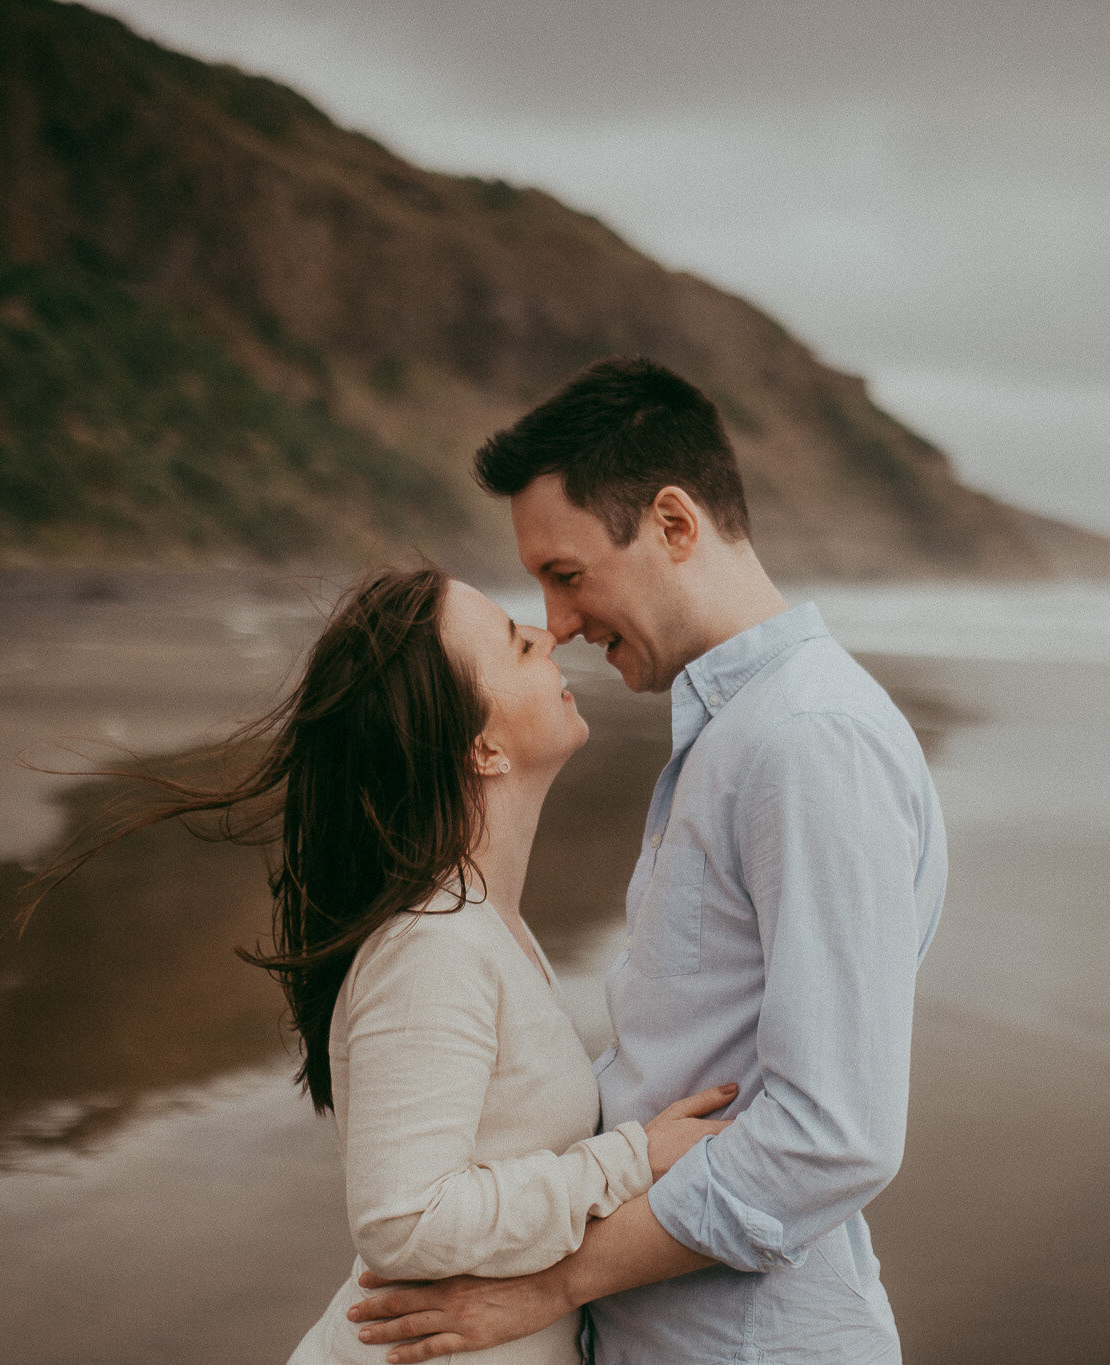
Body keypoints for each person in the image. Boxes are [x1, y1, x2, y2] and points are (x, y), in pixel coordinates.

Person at [347, 358, 949, 1365]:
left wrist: (551, 1282)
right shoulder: (735, 734)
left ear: (673, 525)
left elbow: (831, 1135)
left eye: (566, 574)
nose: (558, 624)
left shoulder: (805, 741)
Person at [30, 563, 737, 1365]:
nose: (546, 635)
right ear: (483, 747)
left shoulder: (485, 927)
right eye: (514, 641)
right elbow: (404, 1219)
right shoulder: (433, 945)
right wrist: (629, 1159)